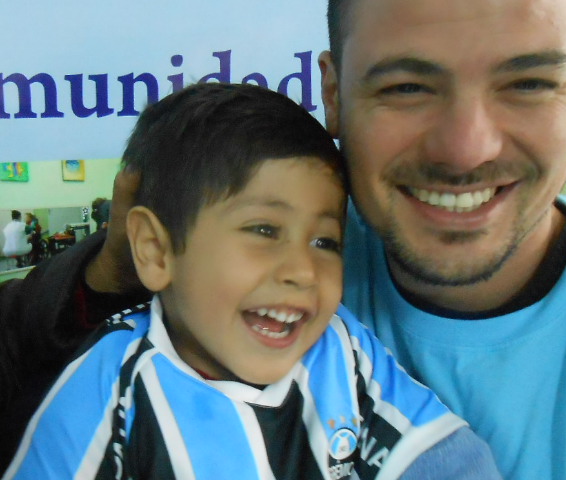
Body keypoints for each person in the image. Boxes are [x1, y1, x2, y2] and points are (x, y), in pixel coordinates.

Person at [2, 0, 566, 478]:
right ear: (331, 92)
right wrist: (103, 283)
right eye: (407, 86)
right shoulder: (178, 300)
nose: (465, 148)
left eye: (528, 82)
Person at [4, 83, 500, 479]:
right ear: (155, 250)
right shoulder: (109, 391)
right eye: (264, 230)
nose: (303, 271)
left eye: (325, 241)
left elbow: (443, 459)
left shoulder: (341, 351)